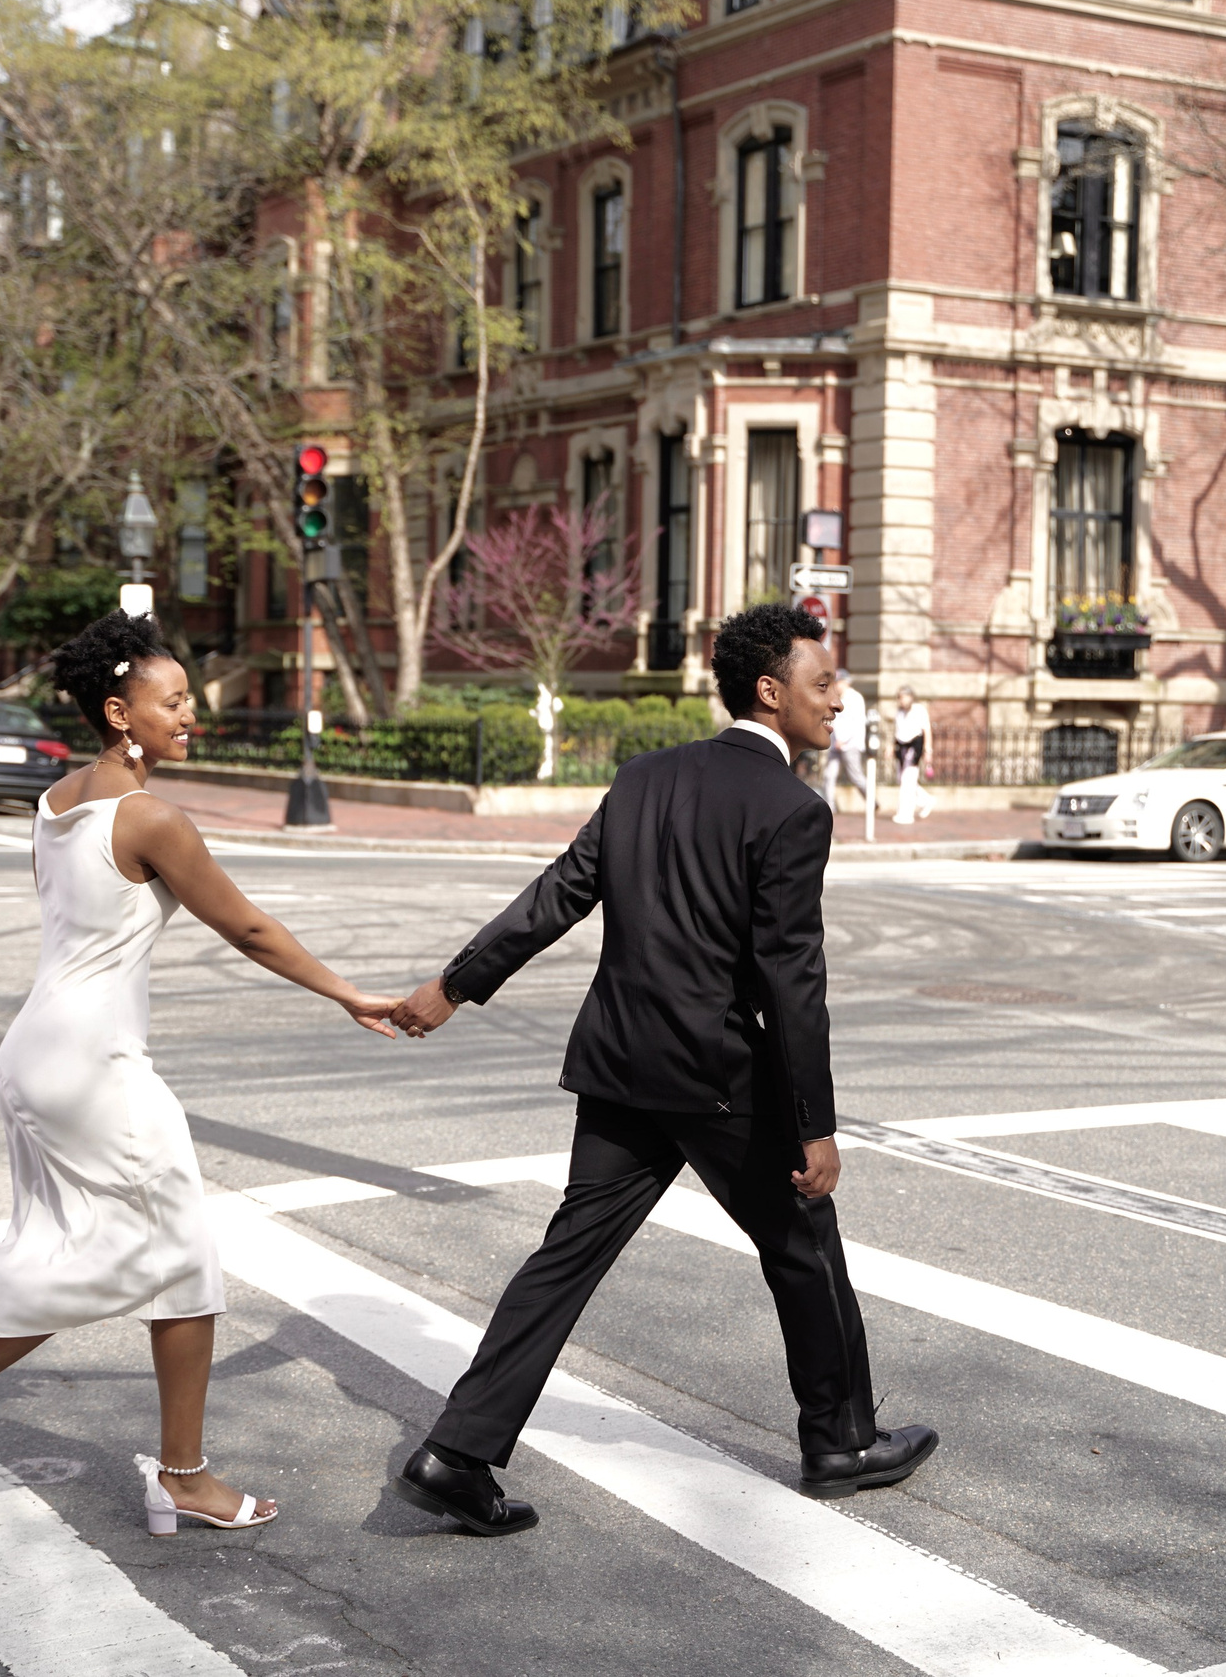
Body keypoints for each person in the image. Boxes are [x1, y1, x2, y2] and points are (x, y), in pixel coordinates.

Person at [0, 611, 400, 1545]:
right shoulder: (153, 819)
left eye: (189, 704)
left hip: (36, 1054)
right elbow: (244, 927)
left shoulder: (55, 803)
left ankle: (173, 1472)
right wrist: (348, 993)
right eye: (173, 705)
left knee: (134, 1261)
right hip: (93, 1067)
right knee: (144, 1263)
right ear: (121, 712)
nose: (189, 719)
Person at [384, 602, 936, 1536]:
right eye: (822, 681)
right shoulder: (794, 809)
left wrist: (454, 986)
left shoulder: (644, 777)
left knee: (564, 1260)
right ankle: (840, 1438)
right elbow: (791, 981)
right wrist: (815, 1123)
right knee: (805, 1243)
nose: (838, 699)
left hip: (618, 1065)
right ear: (771, 691)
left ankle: (456, 1451)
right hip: (718, 1074)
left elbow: (555, 896)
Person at [819, 667, 869, 811]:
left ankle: (871, 800)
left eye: (839, 682)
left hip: (850, 744)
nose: (837, 685)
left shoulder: (855, 698)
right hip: (836, 744)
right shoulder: (836, 697)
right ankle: (830, 806)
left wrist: (844, 740)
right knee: (829, 775)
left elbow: (856, 722)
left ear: (846, 682)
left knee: (856, 776)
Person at [891, 685, 932, 825]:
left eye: (904, 697)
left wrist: (928, 750)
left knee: (908, 779)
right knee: (904, 779)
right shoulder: (899, 712)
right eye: (900, 697)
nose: (902, 700)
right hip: (901, 747)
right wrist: (891, 747)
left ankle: (906, 814)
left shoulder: (919, 710)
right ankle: (926, 800)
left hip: (915, 746)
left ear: (911, 697)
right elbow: (896, 731)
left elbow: (926, 730)